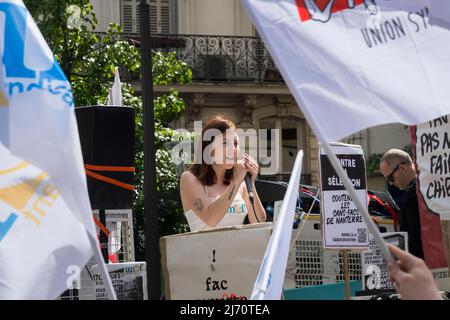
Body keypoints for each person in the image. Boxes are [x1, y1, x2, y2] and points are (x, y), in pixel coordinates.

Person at [180, 115, 266, 232]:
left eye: (235, 143)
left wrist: (250, 182)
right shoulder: (189, 179)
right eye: (225, 143)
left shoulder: (239, 182)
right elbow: (211, 219)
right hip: (204, 249)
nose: (233, 149)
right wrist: (236, 182)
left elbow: (259, 221)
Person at [380, 149, 424, 259]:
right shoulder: (426, 184)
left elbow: (414, 240)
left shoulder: (413, 193)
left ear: (402, 168)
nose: (391, 183)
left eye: (391, 178)